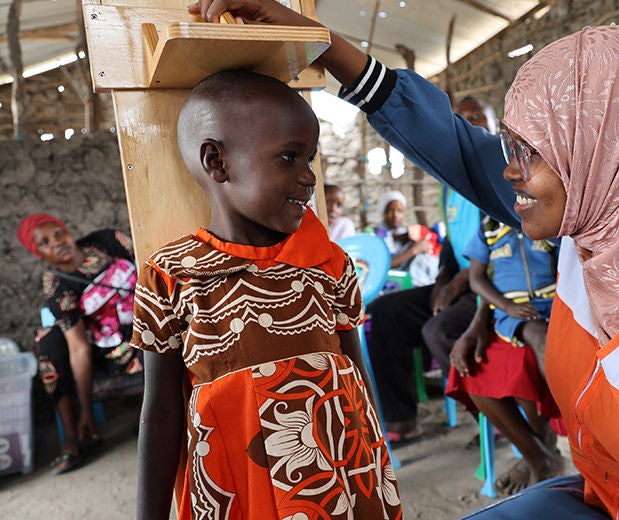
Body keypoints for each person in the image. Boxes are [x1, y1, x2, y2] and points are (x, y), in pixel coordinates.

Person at [190, 3, 619, 519]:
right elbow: (456, 146)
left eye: (530, 152)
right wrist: (319, 42)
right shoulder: (608, 220)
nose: (510, 174)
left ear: (613, 152)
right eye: (512, 147)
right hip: (616, 499)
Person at [130, 70, 401, 520]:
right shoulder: (171, 275)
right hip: (239, 491)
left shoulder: (329, 264)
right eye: (289, 158)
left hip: (342, 485)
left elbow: (355, 377)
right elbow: (160, 413)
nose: (308, 177)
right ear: (217, 162)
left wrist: (377, 465)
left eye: (310, 159)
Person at [363, 96, 494, 443]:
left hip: (494, 288)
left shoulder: (500, 173)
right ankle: (401, 419)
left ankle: (493, 419)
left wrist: (458, 284)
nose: (470, 126)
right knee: (384, 312)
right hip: (462, 284)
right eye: (462, 120)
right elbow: (451, 242)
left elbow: (502, 243)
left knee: (439, 330)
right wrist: (441, 281)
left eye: (478, 117)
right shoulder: (450, 184)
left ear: (493, 125)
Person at [17, 213, 142, 475]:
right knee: (48, 339)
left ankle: (152, 419)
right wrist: (86, 409)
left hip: (151, 319)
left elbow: (149, 262)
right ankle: (74, 437)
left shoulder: (107, 241)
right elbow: (78, 347)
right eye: (45, 242)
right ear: (38, 253)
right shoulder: (57, 285)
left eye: (58, 233)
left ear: (67, 230)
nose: (57, 242)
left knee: (153, 335)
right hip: (114, 349)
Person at [447, 215, 564, 495]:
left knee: (535, 349)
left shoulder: (550, 221)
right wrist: (506, 306)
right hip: (508, 315)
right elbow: (477, 279)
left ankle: (550, 441)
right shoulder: (489, 229)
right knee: (473, 369)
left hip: (552, 309)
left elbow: (568, 270)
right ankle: (538, 455)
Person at [372, 189, 439, 288]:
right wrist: (414, 250)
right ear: (383, 212)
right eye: (390, 210)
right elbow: (381, 266)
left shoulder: (407, 234)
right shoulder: (375, 236)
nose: (395, 215)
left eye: (400, 211)